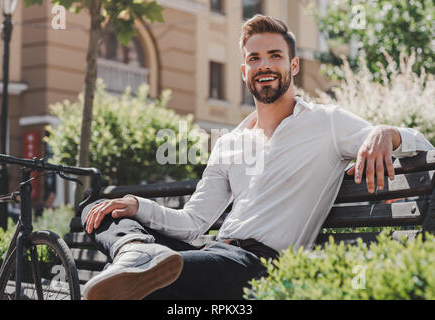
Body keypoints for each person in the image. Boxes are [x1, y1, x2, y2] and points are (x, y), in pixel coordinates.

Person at [81, 15, 434, 300]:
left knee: (153, 288)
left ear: (293, 65)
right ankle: (135, 252)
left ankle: (141, 264)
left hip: (258, 265)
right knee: (99, 211)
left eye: (274, 56)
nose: (264, 65)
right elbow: (193, 221)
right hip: (215, 251)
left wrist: (385, 132)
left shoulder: (326, 123)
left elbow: (424, 148)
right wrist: (136, 205)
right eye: (254, 58)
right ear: (244, 71)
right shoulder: (230, 142)